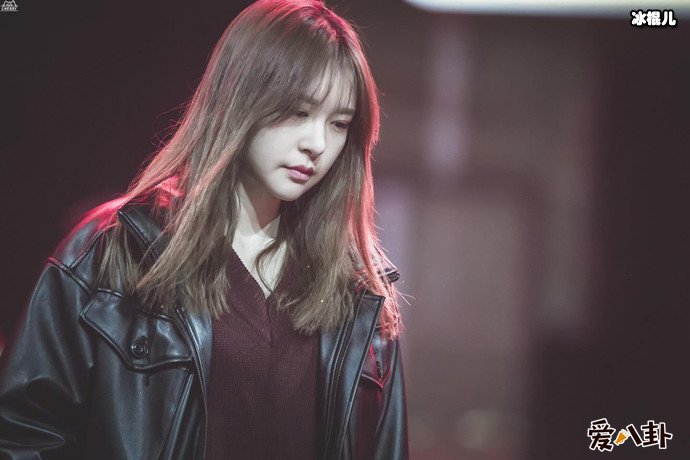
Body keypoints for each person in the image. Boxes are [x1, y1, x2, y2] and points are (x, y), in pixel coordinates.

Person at [0, 0, 408, 459]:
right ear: (240, 97)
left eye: (339, 123)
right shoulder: (117, 249)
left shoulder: (358, 292)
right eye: (298, 112)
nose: (317, 143)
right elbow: (23, 435)